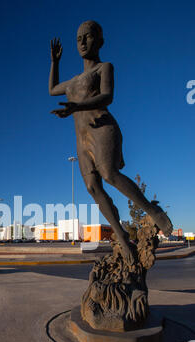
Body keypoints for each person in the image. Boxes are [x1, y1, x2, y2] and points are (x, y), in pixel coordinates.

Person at [49, 21, 172, 261]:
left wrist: (77, 106)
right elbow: (53, 89)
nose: (83, 42)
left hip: (102, 128)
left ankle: (152, 210)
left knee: (109, 173)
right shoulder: (72, 81)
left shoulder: (104, 67)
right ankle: (122, 237)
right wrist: (55, 62)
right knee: (92, 187)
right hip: (81, 138)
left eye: (89, 37)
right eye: (79, 39)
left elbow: (107, 96)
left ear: (100, 41)